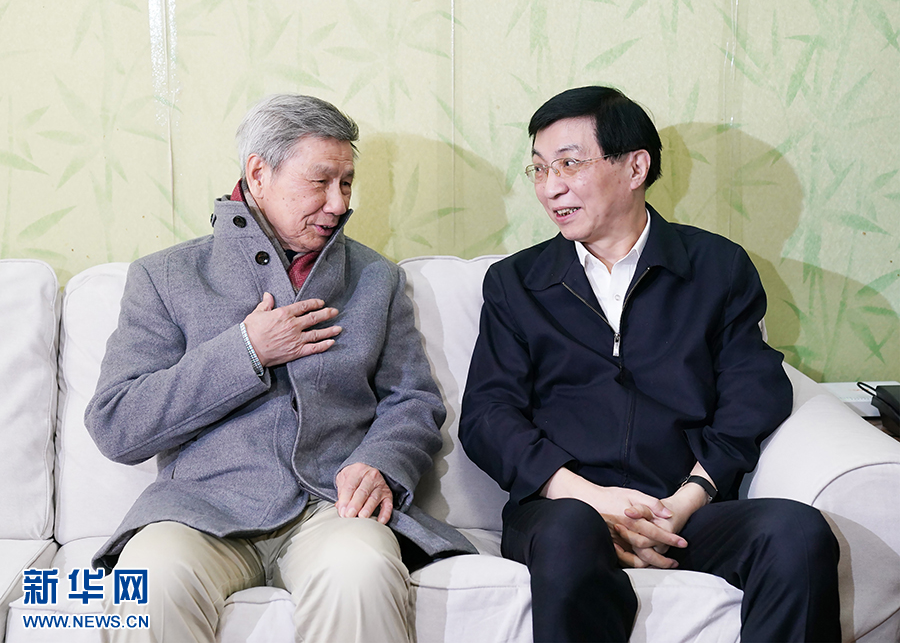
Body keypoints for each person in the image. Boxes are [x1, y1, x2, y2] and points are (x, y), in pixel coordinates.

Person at [85, 93, 474, 643]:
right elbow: (117, 424)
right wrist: (247, 350)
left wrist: (381, 464)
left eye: (346, 183)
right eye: (320, 182)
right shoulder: (165, 277)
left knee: (362, 570)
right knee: (149, 580)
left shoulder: (375, 278)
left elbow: (412, 401)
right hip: (199, 510)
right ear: (258, 174)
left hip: (331, 507)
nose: (338, 204)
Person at [459, 86, 841, 643]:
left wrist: (685, 501)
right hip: (562, 510)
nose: (550, 187)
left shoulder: (717, 268)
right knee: (570, 533)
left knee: (797, 533)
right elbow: (488, 415)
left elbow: (753, 395)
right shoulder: (516, 283)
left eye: (569, 164)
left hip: (684, 508)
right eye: (539, 169)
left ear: (636, 167)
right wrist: (592, 498)